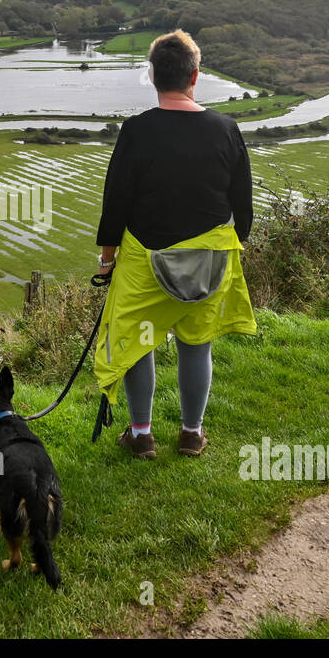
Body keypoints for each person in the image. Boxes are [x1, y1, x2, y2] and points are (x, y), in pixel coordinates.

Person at [92, 29, 257, 459]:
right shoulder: (226, 129)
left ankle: (142, 435)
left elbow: (116, 203)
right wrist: (231, 245)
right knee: (195, 343)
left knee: (139, 339)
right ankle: (190, 433)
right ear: (195, 76)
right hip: (210, 261)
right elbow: (243, 204)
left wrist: (107, 259)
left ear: (152, 75)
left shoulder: (136, 131)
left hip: (146, 261)